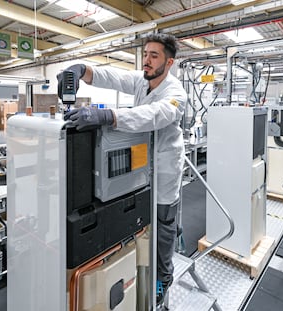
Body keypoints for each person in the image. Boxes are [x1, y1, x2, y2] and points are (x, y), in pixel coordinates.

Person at [57, 33, 187, 306]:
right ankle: (141, 279)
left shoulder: (176, 93)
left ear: (169, 62)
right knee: (143, 229)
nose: (147, 61)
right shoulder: (143, 81)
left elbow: (155, 115)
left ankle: (164, 280)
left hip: (163, 175)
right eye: (146, 54)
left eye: (154, 56)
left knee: (163, 232)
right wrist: (82, 69)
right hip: (141, 170)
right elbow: (114, 77)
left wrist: (109, 115)